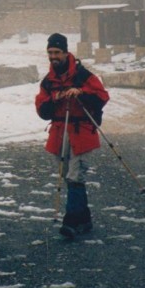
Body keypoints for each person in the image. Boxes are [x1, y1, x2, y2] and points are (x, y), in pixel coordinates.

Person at [35, 32, 109, 240]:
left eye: (57, 52)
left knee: (75, 176)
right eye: (50, 53)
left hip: (82, 132)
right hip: (59, 133)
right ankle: (84, 219)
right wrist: (55, 98)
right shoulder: (48, 81)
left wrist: (81, 93)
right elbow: (41, 110)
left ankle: (71, 222)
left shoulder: (84, 76)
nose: (53, 56)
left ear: (66, 52)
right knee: (68, 176)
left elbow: (102, 97)